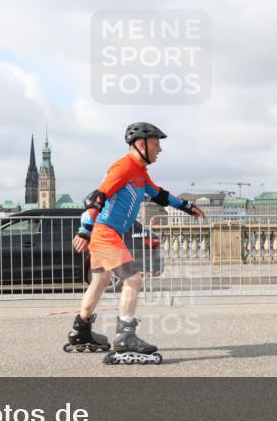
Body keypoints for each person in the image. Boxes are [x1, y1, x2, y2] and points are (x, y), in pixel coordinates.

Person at [66, 122, 205, 364]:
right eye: (156, 143)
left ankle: (81, 330)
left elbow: (160, 195)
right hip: (105, 231)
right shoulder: (123, 167)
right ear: (140, 144)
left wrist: (186, 207)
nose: (160, 149)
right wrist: (84, 230)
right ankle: (125, 336)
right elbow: (97, 197)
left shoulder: (140, 173)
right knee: (133, 279)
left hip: (108, 233)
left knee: (100, 280)